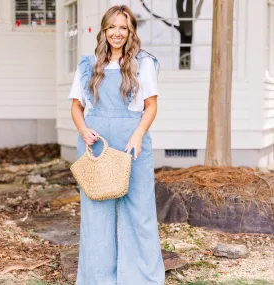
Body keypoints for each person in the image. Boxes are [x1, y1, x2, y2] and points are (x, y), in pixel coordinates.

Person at [68, 5, 165, 285]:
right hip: (97, 145)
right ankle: (98, 278)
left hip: (132, 144)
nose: (117, 33)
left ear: (130, 30)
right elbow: (76, 107)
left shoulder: (143, 63)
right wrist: (84, 130)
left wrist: (137, 135)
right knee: (98, 215)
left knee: (139, 211)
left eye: (123, 27)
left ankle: (140, 278)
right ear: (104, 31)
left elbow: (151, 107)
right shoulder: (88, 65)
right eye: (112, 27)